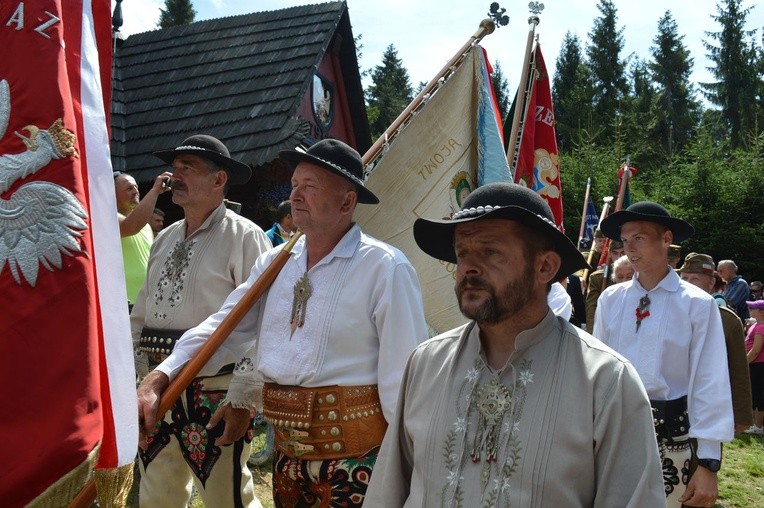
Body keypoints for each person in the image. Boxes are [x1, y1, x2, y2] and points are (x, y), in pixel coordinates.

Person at [137, 138, 427, 506]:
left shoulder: (385, 268)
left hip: (358, 457)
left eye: (310, 187)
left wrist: (410, 470)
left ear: (347, 202)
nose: (296, 196)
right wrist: (159, 376)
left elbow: (403, 380)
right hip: (288, 458)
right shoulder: (274, 264)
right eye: (294, 185)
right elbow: (222, 327)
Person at [365, 183, 664, 506]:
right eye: (462, 253)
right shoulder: (426, 363)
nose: (468, 267)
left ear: (545, 267)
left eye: (490, 251)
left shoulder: (606, 381)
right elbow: (388, 493)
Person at [131, 134, 271, 508]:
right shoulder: (164, 239)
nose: (175, 176)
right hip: (157, 387)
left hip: (214, 388)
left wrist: (243, 396)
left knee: (228, 499)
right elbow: (141, 313)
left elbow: (261, 318)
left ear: (218, 180)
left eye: (187, 169)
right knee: (156, 497)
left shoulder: (246, 236)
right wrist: (135, 376)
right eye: (174, 168)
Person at [594, 201, 734, 508]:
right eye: (625, 240)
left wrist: (709, 463)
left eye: (639, 238)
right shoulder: (611, 299)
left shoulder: (697, 304)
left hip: (672, 440)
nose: (629, 248)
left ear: (666, 238)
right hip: (613, 434)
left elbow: (709, 381)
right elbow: (596, 370)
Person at [679, 252, 753, 434]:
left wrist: (742, 414)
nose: (688, 284)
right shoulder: (663, 313)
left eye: (695, 279)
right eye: (684, 278)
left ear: (711, 283)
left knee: (704, 458)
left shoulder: (727, 320)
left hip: (708, 405)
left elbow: (738, 371)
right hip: (670, 403)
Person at [115, 170, 172, 306]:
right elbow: (130, 226)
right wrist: (155, 191)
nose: (136, 192)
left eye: (136, 187)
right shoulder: (107, 217)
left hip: (149, 302)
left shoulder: (146, 226)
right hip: (124, 304)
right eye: (129, 188)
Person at [584, 240, 624, 333]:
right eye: (615, 253)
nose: (619, 257)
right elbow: (592, 310)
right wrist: (593, 335)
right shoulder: (598, 279)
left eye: (623, 253)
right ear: (609, 254)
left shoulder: (638, 276)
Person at [744, 300, 764, 434]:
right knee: (752, 393)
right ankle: (751, 423)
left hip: (758, 365)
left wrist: (744, 363)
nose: (750, 309)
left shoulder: (761, 327)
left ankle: (758, 426)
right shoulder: (756, 325)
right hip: (754, 364)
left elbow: (756, 349)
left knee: (758, 394)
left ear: (761, 312)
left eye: (753, 308)